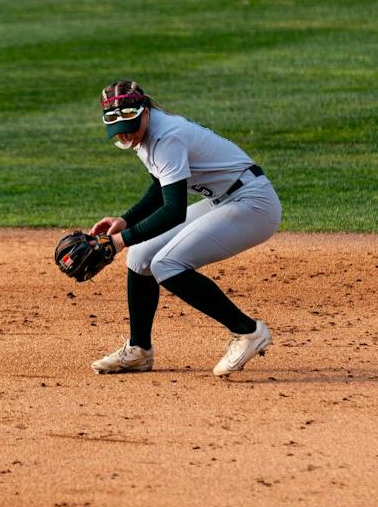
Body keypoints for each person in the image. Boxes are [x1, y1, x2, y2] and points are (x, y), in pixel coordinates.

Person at [89, 79, 282, 378]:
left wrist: (118, 241)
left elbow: (173, 211)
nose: (125, 135)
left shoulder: (167, 137)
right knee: (141, 256)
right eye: (119, 130)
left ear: (147, 112)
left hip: (253, 205)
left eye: (131, 126)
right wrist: (126, 221)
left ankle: (248, 331)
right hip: (225, 199)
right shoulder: (145, 135)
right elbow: (162, 185)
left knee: (167, 264)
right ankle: (139, 351)